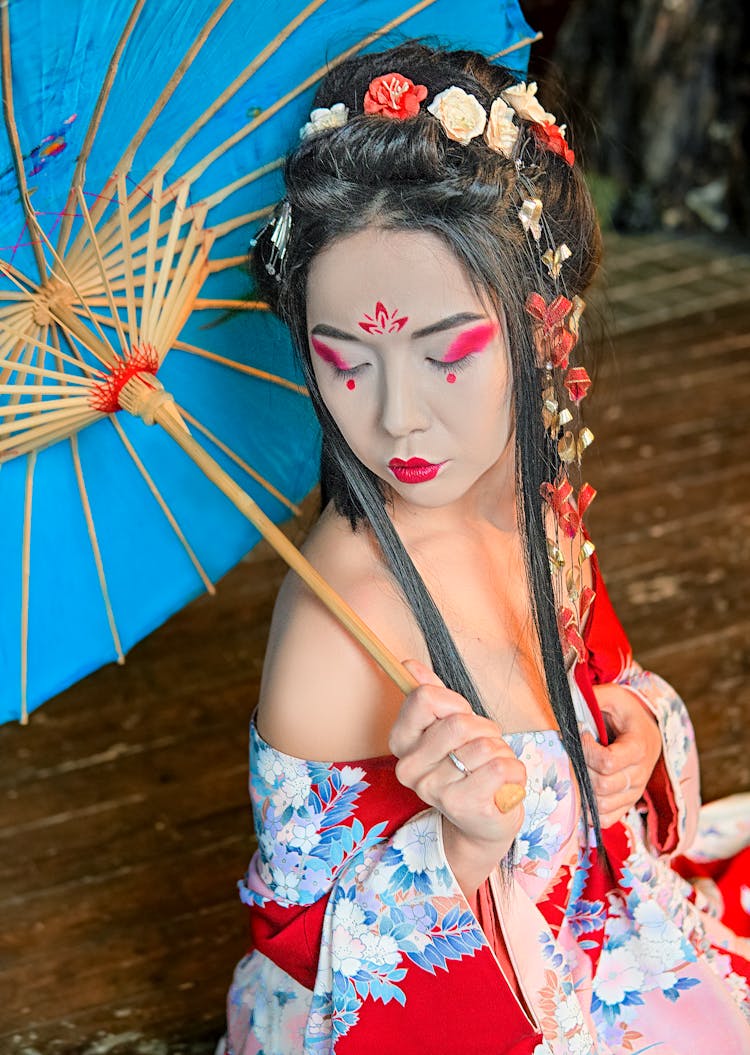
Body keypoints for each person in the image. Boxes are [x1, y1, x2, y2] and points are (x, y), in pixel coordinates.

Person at [219, 40, 750, 1055]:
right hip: (459, 1001)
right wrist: (457, 847)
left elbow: (604, 667)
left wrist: (631, 727)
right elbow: (305, 948)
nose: (398, 420)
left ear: (544, 328)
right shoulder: (341, 623)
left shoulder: (529, 498)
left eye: (448, 354)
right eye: (346, 362)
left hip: (595, 919)